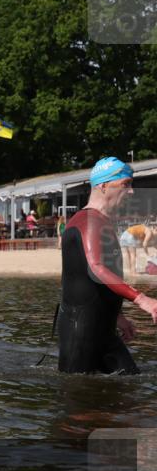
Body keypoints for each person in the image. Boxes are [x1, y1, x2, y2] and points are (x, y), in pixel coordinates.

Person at [58, 157, 157, 375]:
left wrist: (118, 316)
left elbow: (96, 277)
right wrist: (143, 300)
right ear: (103, 186)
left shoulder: (100, 222)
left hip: (103, 327)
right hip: (81, 330)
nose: (131, 191)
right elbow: (97, 268)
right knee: (78, 391)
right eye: (125, 184)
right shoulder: (89, 221)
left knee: (130, 383)